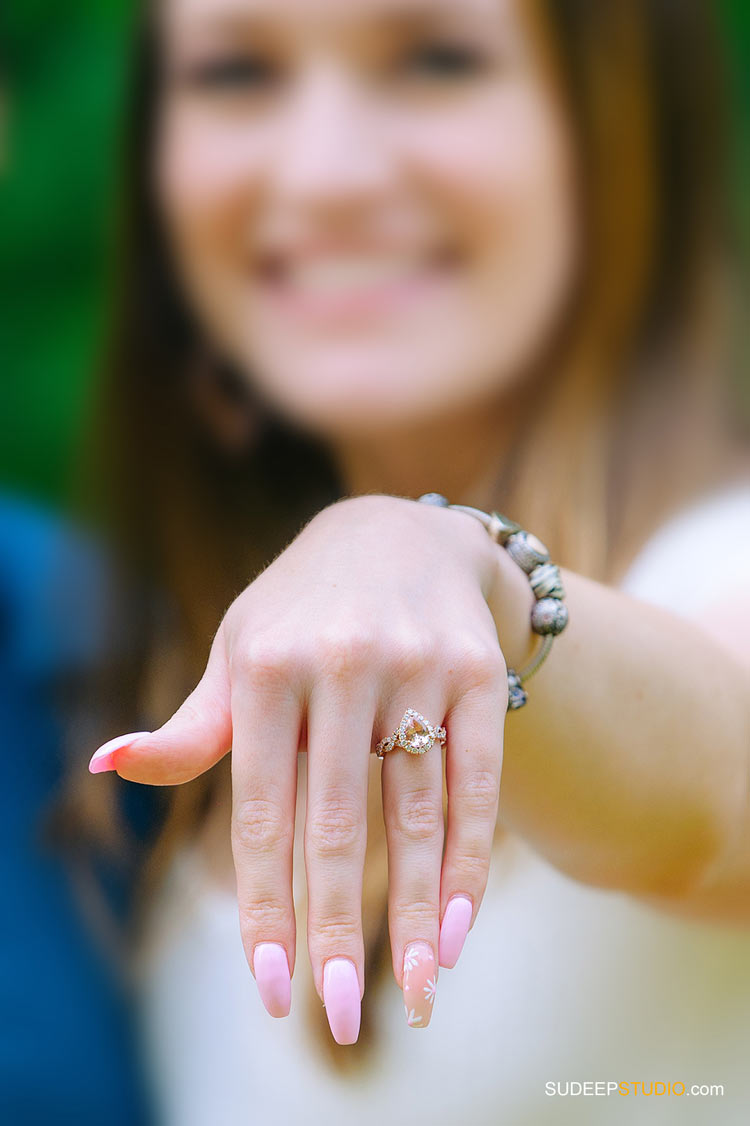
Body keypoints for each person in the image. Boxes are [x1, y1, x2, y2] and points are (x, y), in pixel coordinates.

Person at [58, 0, 750, 1122]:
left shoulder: (726, 559)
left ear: (620, 125)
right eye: (236, 74)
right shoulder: (152, 663)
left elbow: (716, 793)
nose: (325, 172)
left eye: (437, 59)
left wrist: (458, 566)